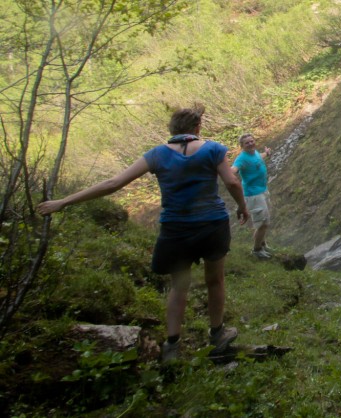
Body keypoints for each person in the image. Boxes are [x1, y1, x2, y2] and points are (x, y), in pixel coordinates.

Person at [37, 105, 249, 362]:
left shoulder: (157, 155)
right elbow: (232, 182)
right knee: (215, 280)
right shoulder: (214, 149)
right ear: (197, 128)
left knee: (178, 286)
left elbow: (113, 183)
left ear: (171, 130)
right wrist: (241, 206)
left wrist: (63, 202)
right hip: (212, 225)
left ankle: (173, 345)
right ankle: (217, 335)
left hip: (176, 229)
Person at [231, 133, 273, 260]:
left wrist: (267, 153)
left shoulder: (254, 153)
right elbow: (233, 169)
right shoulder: (241, 158)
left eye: (251, 141)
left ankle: (262, 244)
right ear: (242, 146)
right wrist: (228, 173)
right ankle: (256, 250)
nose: (250, 144)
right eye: (247, 143)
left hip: (263, 190)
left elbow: (260, 157)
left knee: (265, 220)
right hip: (253, 194)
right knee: (262, 223)